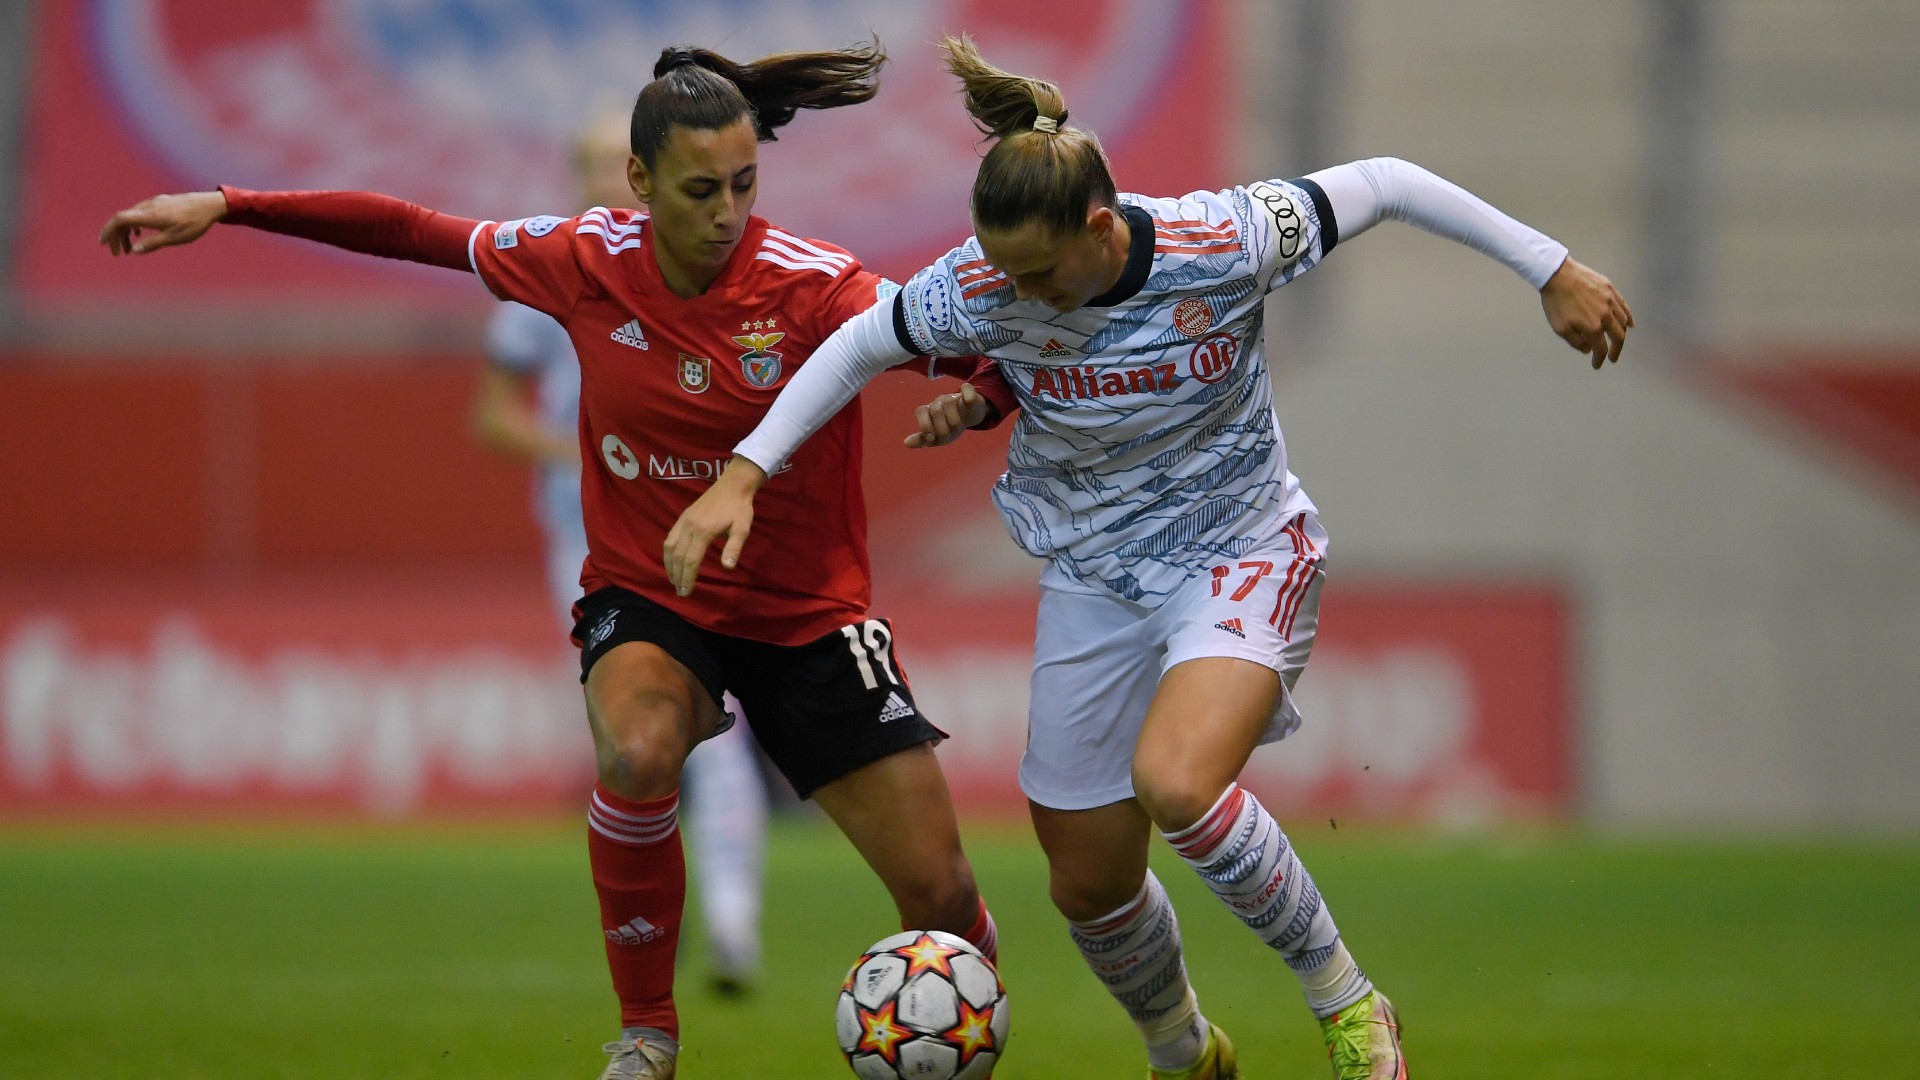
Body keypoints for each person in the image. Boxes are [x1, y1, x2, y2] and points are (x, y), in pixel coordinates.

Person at [664, 33, 1634, 1080]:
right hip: (1094, 578)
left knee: (1177, 783)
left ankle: (1349, 1005)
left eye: (1037, 273)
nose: (1015, 298)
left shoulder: (1221, 239)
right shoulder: (985, 283)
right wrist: (745, 473)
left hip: (1241, 550)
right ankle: (1183, 1051)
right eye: (1000, 272)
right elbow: (857, 346)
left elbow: (1388, 182)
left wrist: (1552, 267)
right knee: (1084, 881)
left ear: (1095, 227)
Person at [100, 39, 1017, 1080]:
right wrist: (229, 204)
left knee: (939, 897)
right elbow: (408, 229)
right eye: (701, 189)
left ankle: (969, 1035)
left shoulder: (816, 288)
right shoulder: (584, 259)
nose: (728, 211)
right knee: (635, 753)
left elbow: (984, 346)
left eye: (746, 185)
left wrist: (982, 399)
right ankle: (647, 1035)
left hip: (806, 613)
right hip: (650, 592)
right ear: (639, 183)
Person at [470, 107, 769, 997]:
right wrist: (581, 453)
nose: (608, 177)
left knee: (716, 731)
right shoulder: (551, 279)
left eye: (619, 161)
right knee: (635, 738)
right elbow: (491, 414)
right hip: (588, 538)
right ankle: (671, 917)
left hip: (695, 531)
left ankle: (731, 926)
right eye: (594, 163)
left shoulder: (707, 264)